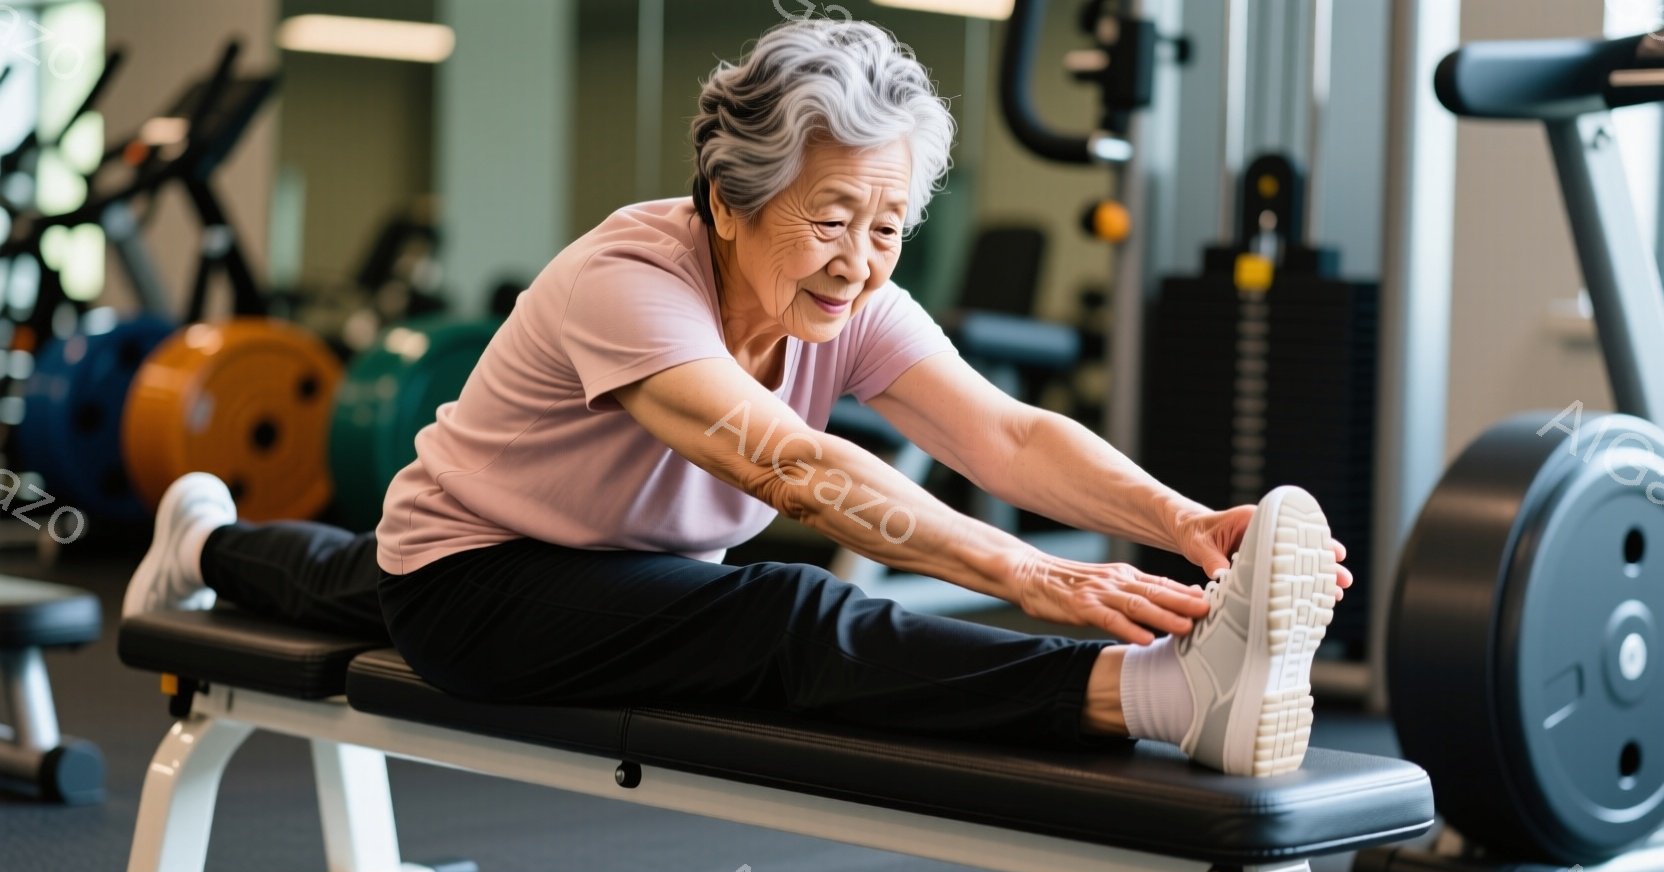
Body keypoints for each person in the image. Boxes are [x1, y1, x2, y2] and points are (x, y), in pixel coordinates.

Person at [125, 18, 1349, 778]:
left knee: (353, 573)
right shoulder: (630, 280)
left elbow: (1005, 431)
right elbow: (792, 468)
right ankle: (1152, 696)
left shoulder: (849, 298)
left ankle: (211, 540)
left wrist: (1183, 521)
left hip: (572, 557)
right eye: (827, 217)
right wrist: (1034, 577)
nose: (859, 260)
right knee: (780, 617)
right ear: (725, 199)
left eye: (886, 225)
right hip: (483, 576)